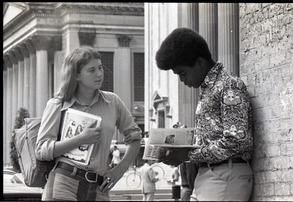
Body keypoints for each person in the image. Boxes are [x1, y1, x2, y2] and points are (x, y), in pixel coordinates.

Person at [155, 28, 254, 201]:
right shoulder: (210, 88)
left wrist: (187, 155)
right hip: (212, 175)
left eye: (182, 73)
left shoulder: (229, 85)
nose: (182, 80)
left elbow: (236, 141)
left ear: (200, 62)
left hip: (225, 176)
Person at [35, 46, 142, 201]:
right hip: (63, 182)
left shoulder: (113, 102)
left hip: (99, 187)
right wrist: (80, 139)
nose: (99, 74)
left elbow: (135, 138)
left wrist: (119, 171)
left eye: (100, 68)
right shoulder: (58, 104)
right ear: (76, 75)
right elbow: (41, 150)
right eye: (91, 70)